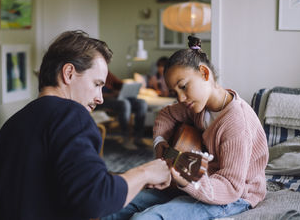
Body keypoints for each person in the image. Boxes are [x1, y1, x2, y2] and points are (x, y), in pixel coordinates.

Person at [0, 30, 171, 220]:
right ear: (68, 73)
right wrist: (146, 172)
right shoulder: (71, 115)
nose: (100, 98)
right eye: (96, 84)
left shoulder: (15, 122)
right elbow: (96, 199)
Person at [102, 36, 269, 220]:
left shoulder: (237, 123)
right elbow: (166, 115)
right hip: (197, 181)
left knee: (144, 218)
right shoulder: (198, 106)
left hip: (234, 197)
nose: (180, 98)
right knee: (113, 206)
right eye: (175, 92)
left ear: (204, 74)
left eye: (183, 86)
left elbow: (231, 187)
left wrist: (187, 180)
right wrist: (160, 143)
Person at [96, 71, 148, 150]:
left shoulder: (107, 73)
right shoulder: (92, 73)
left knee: (142, 103)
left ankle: (138, 138)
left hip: (116, 98)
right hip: (103, 100)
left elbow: (118, 83)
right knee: (125, 103)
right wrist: (113, 94)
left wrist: (126, 88)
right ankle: (125, 138)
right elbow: (95, 93)